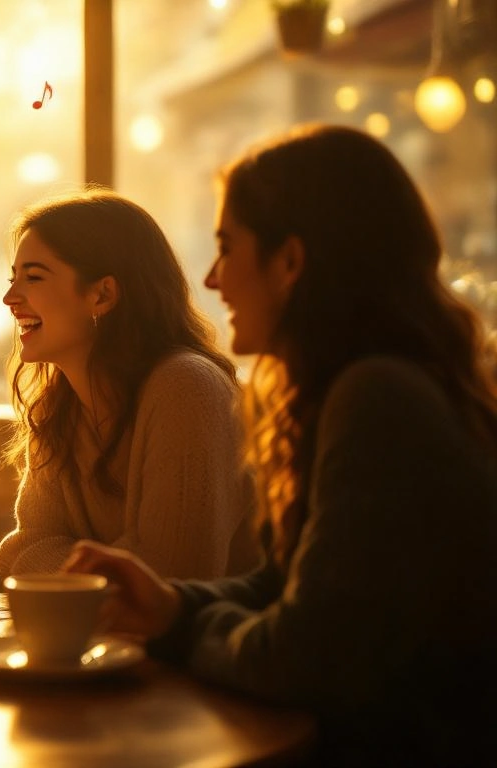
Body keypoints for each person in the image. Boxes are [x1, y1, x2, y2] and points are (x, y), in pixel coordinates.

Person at [64, 125, 497, 765]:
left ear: (289, 262)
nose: (212, 279)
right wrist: (173, 602)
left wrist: (175, 631)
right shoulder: (372, 384)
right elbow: (289, 584)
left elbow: (306, 654)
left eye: (227, 247)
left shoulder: (379, 397)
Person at [0, 190, 259, 580]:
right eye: (13, 278)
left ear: (102, 295)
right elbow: (22, 546)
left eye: (33, 277)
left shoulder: (188, 388)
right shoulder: (57, 404)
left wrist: (59, 569)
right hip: (96, 639)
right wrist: (107, 573)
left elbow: (169, 577)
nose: (9, 298)